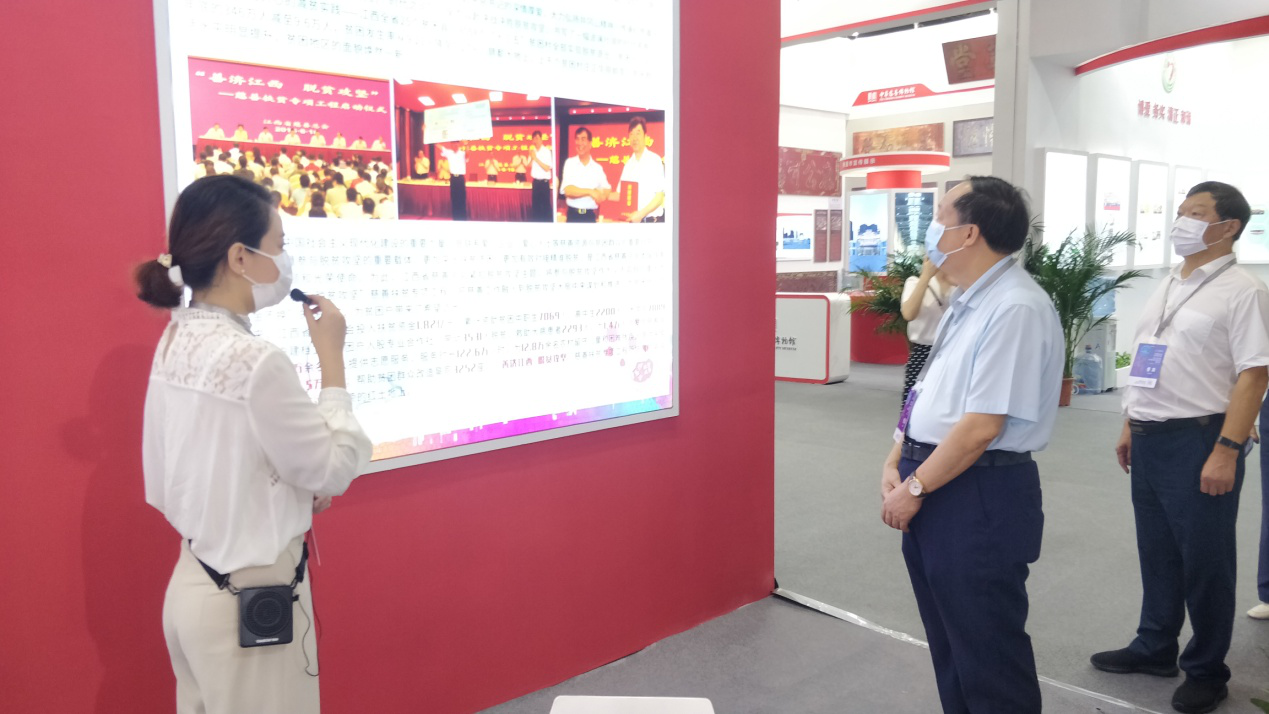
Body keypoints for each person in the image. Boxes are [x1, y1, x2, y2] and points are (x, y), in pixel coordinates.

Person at [134, 175, 371, 714]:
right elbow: (333, 468)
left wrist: (287, 491)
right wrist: (332, 359)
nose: (284, 260)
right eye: (279, 244)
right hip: (252, 601)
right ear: (240, 257)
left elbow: (201, 462)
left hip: (196, 585)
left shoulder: (178, 336)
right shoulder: (255, 359)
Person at [880, 176, 1062, 713]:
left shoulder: (1015, 307)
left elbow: (983, 425)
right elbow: (930, 390)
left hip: (978, 492)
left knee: (987, 653)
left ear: (969, 233)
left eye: (940, 216)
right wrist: (898, 453)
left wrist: (916, 484)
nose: (931, 228)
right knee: (952, 644)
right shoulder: (969, 301)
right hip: (941, 477)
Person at [1092, 181, 1269, 714]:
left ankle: (1208, 670)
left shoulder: (1243, 290)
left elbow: (1255, 374)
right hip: (1151, 433)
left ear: (1228, 227)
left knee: (1206, 560)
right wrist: (1131, 421)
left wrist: (1227, 448)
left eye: (1196, 213)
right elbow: (1150, 355)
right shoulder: (1171, 282)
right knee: (1159, 550)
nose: (1182, 222)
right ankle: (1154, 646)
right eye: (1181, 211)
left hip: (1201, 438)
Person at [899, 257, 954, 404]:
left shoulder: (959, 285)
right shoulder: (914, 283)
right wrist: (925, 276)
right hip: (922, 353)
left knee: (947, 404)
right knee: (913, 405)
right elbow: (908, 314)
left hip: (952, 351)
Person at [615, 116, 665, 223]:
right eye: (631, 134)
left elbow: (659, 197)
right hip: (633, 222)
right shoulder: (628, 165)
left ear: (645, 136)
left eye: (638, 133)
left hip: (652, 222)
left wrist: (641, 214)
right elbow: (621, 195)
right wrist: (600, 193)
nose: (634, 138)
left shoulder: (654, 160)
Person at [560, 127, 609, 223]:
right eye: (577, 139)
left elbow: (607, 189)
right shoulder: (569, 163)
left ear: (590, 143)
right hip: (573, 216)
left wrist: (602, 196)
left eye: (583, 139)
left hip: (590, 217)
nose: (579, 143)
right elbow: (568, 191)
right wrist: (590, 192)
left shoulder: (597, 168)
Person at [528, 130, 553, 222]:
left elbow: (547, 168)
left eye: (537, 138)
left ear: (541, 139)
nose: (535, 141)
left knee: (545, 207)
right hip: (535, 183)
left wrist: (536, 158)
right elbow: (529, 165)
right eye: (534, 139)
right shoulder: (532, 151)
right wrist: (531, 157)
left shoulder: (546, 152)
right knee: (536, 207)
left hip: (544, 183)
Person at [439, 144, 468, 220]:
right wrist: (432, 139)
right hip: (453, 179)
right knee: (454, 197)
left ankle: (463, 217)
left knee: (462, 197)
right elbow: (441, 147)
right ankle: (455, 217)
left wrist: (467, 145)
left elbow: (467, 156)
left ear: (458, 145)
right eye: (453, 145)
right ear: (451, 146)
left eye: (456, 144)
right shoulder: (449, 153)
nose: (455, 146)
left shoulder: (462, 153)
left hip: (460, 178)